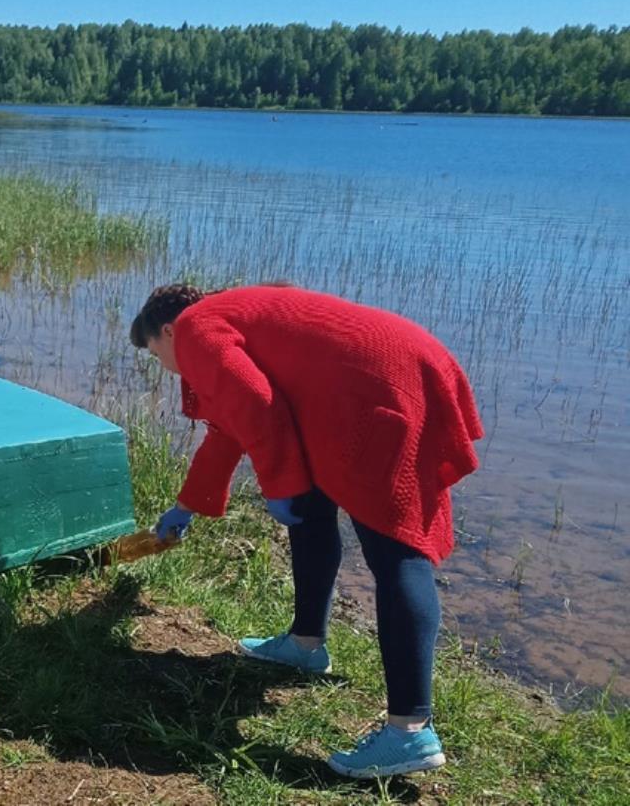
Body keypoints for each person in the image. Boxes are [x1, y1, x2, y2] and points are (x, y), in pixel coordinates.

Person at [130, 282, 483, 779]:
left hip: (379, 388)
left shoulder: (195, 327)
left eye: (154, 354)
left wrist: (279, 482)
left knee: (396, 549)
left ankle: (409, 731)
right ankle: (305, 644)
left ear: (166, 330)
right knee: (311, 509)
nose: (165, 364)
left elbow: (256, 402)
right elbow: (231, 429)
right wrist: (185, 508)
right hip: (400, 366)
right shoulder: (236, 318)